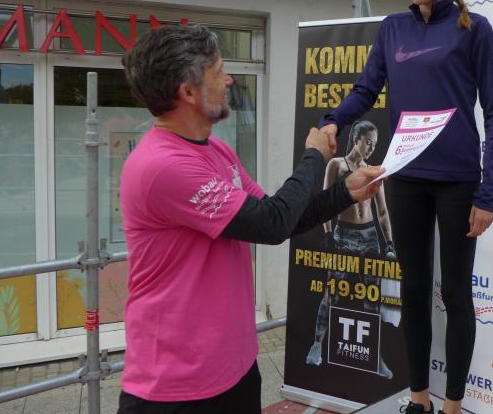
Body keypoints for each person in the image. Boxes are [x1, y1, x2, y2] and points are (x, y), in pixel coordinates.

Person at [117, 25, 383, 414]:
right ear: (188, 92)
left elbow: (282, 218)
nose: (228, 80)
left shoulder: (217, 151)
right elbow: (272, 224)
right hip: (174, 387)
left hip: (235, 369)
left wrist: (345, 193)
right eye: (218, 72)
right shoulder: (162, 166)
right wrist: (314, 155)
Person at [318, 0, 493, 414]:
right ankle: (419, 400)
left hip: (459, 182)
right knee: (415, 289)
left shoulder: (475, 29)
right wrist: (334, 121)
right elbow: (366, 90)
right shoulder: (393, 29)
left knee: (456, 293)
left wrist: (488, 193)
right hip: (405, 177)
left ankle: (453, 406)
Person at [304, 120, 397, 378]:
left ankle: (374, 356)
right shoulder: (337, 165)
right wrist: (327, 234)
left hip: (369, 236)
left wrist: (389, 242)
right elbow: (324, 202)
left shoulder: (373, 170)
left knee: (372, 299)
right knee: (331, 292)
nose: (371, 148)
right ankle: (316, 345)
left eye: (374, 144)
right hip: (343, 234)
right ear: (356, 138)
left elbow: (382, 211)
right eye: (368, 142)